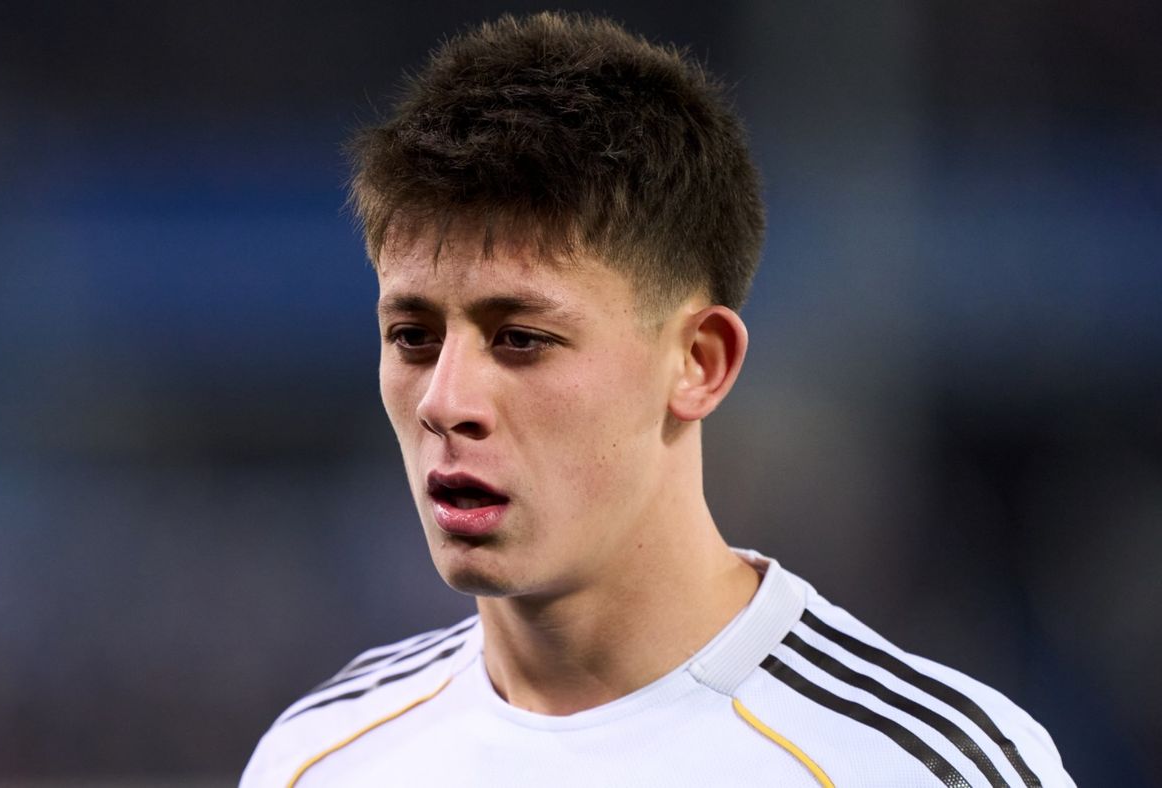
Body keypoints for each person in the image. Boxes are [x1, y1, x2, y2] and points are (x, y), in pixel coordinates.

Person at [241, 11, 1072, 787]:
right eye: (413, 336)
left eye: (521, 338)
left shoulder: (920, 766)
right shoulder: (316, 758)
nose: (444, 400)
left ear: (700, 363)